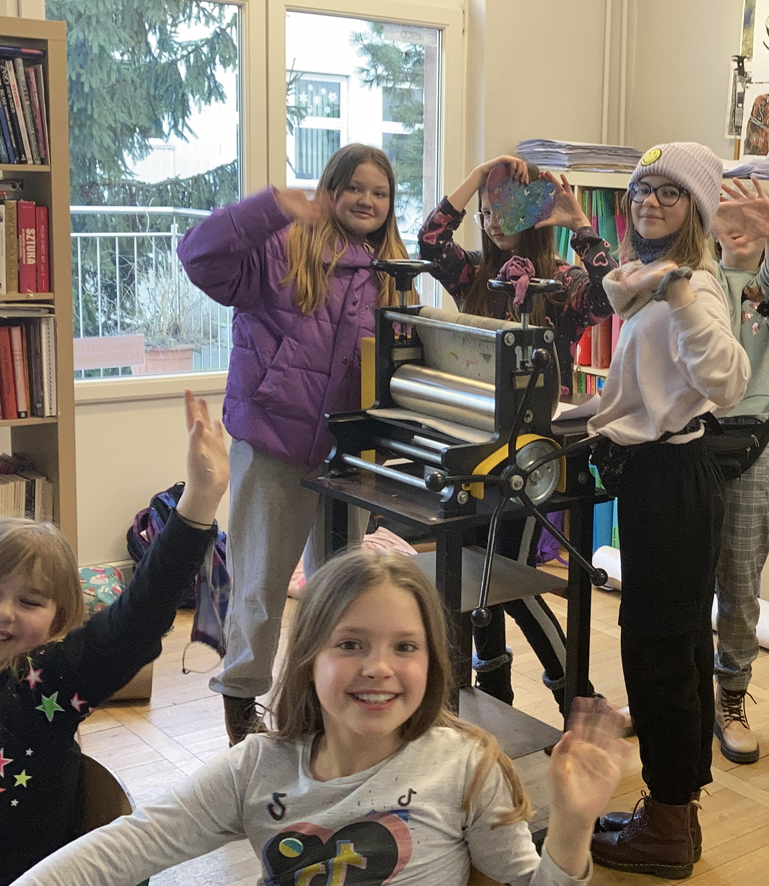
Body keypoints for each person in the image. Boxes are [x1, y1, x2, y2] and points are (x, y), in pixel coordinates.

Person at [14, 548, 631, 886]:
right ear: (310, 659)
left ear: (433, 662)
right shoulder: (257, 767)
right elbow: (130, 844)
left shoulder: (467, 766)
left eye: (405, 647)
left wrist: (573, 823)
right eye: (351, 644)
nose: (379, 668)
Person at [177, 144, 410, 745]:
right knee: (259, 584)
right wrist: (270, 208)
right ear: (329, 190)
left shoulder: (390, 271)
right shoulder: (284, 246)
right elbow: (199, 255)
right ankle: (241, 705)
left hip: (348, 454)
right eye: (354, 187)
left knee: (340, 588)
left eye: (379, 192)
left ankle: (321, 702)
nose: (366, 200)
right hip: (273, 442)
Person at [586, 142, 750, 879]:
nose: (648, 202)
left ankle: (668, 822)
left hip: (674, 482)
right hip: (658, 477)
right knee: (671, 649)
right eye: (641, 190)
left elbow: (728, 384)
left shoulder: (692, 288)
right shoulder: (648, 282)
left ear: (696, 207)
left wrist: (682, 296)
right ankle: (671, 810)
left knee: (660, 655)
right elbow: (646, 382)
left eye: (669, 192)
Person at [0, 391, 229, 885]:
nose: (4, 613)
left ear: (58, 621)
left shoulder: (52, 679)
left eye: (30, 601)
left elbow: (137, 618)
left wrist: (198, 503)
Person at [419, 155, 616, 712]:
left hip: (534, 458)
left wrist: (578, 221)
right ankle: (495, 690)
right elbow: (430, 241)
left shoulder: (564, 285)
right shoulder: (473, 274)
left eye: (503, 211)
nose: (491, 222)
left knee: (511, 580)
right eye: (485, 212)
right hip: (478, 444)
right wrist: (479, 174)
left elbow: (613, 291)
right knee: (476, 574)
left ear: (533, 216)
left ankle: (577, 696)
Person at [709, 175, 769, 764]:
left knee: (741, 577)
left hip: (750, 446)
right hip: (691, 440)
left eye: (753, 216)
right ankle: (676, 690)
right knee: (682, 577)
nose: (740, 224)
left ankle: (731, 694)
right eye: (727, 211)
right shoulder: (701, 279)